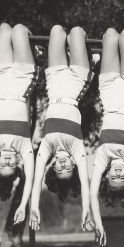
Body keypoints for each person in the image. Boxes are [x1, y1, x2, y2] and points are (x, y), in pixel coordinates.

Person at [29, 25, 93, 231]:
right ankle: (89, 58)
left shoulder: (47, 148)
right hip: (76, 82)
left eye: (59, 170)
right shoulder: (77, 150)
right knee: (76, 32)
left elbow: (36, 179)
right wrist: (86, 211)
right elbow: (85, 182)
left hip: (54, 82)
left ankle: (66, 52)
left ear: (53, 168)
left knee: (56, 30)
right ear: (74, 166)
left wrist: (33, 206)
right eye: (68, 170)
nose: (63, 166)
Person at [90, 28, 124, 247]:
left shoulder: (102, 158)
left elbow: (93, 194)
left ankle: (97, 60)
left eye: (114, 178)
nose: (119, 174)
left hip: (109, 92)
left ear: (107, 176)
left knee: (111, 34)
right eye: (122, 178)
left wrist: (98, 224)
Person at [0, 23, 36, 228]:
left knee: (3, 28)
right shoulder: (24, 148)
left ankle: (31, 48)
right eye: (12, 166)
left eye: (3, 165)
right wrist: (22, 204)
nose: (8, 161)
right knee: (19, 29)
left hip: (1, 80)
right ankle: (33, 50)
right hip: (22, 79)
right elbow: (29, 178)